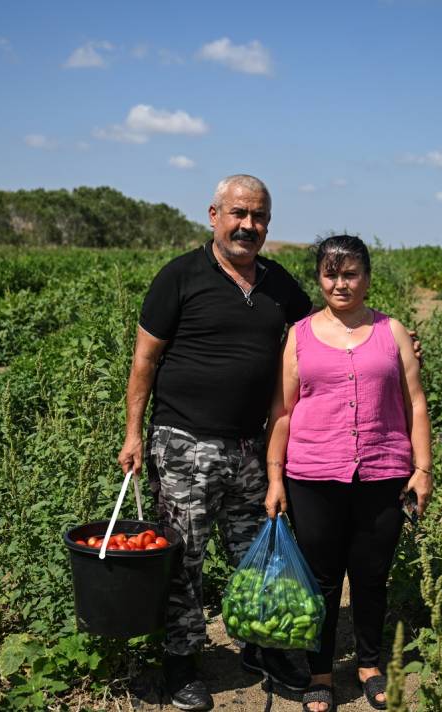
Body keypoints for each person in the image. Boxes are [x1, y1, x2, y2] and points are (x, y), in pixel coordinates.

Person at [116, 175, 313, 711]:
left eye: (260, 217)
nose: (249, 226)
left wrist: (388, 334)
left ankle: (261, 644)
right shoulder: (180, 276)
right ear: (214, 215)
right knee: (184, 559)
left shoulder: (279, 284)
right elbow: (145, 361)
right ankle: (181, 664)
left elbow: (322, 331)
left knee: (259, 552)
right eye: (239, 214)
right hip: (184, 443)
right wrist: (135, 433)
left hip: (251, 447)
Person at [265, 235, 433, 712]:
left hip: (384, 472)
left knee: (371, 574)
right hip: (312, 475)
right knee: (320, 578)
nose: (341, 283)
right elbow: (281, 411)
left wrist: (423, 468)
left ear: (367, 277)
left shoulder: (392, 331)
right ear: (319, 278)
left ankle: (369, 665)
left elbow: (415, 402)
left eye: (351, 273)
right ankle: (320, 672)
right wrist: (275, 478)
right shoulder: (299, 335)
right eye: (331, 273)